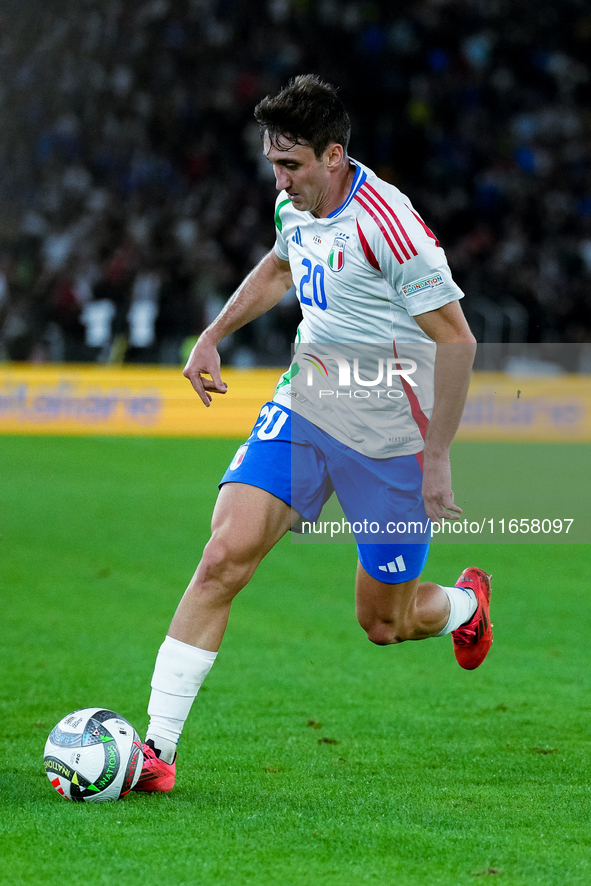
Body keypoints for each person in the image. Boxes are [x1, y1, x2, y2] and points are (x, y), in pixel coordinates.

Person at [133, 75, 492, 793]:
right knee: (222, 557)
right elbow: (278, 266)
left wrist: (438, 458)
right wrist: (213, 335)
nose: (279, 179)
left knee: (383, 623)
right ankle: (155, 752)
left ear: (333, 155)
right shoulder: (292, 206)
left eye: (291, 165)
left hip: (389, 432)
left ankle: (465, 606)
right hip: (307, 403)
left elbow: (456, 341)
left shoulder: (388, 225)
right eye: (273, 163)